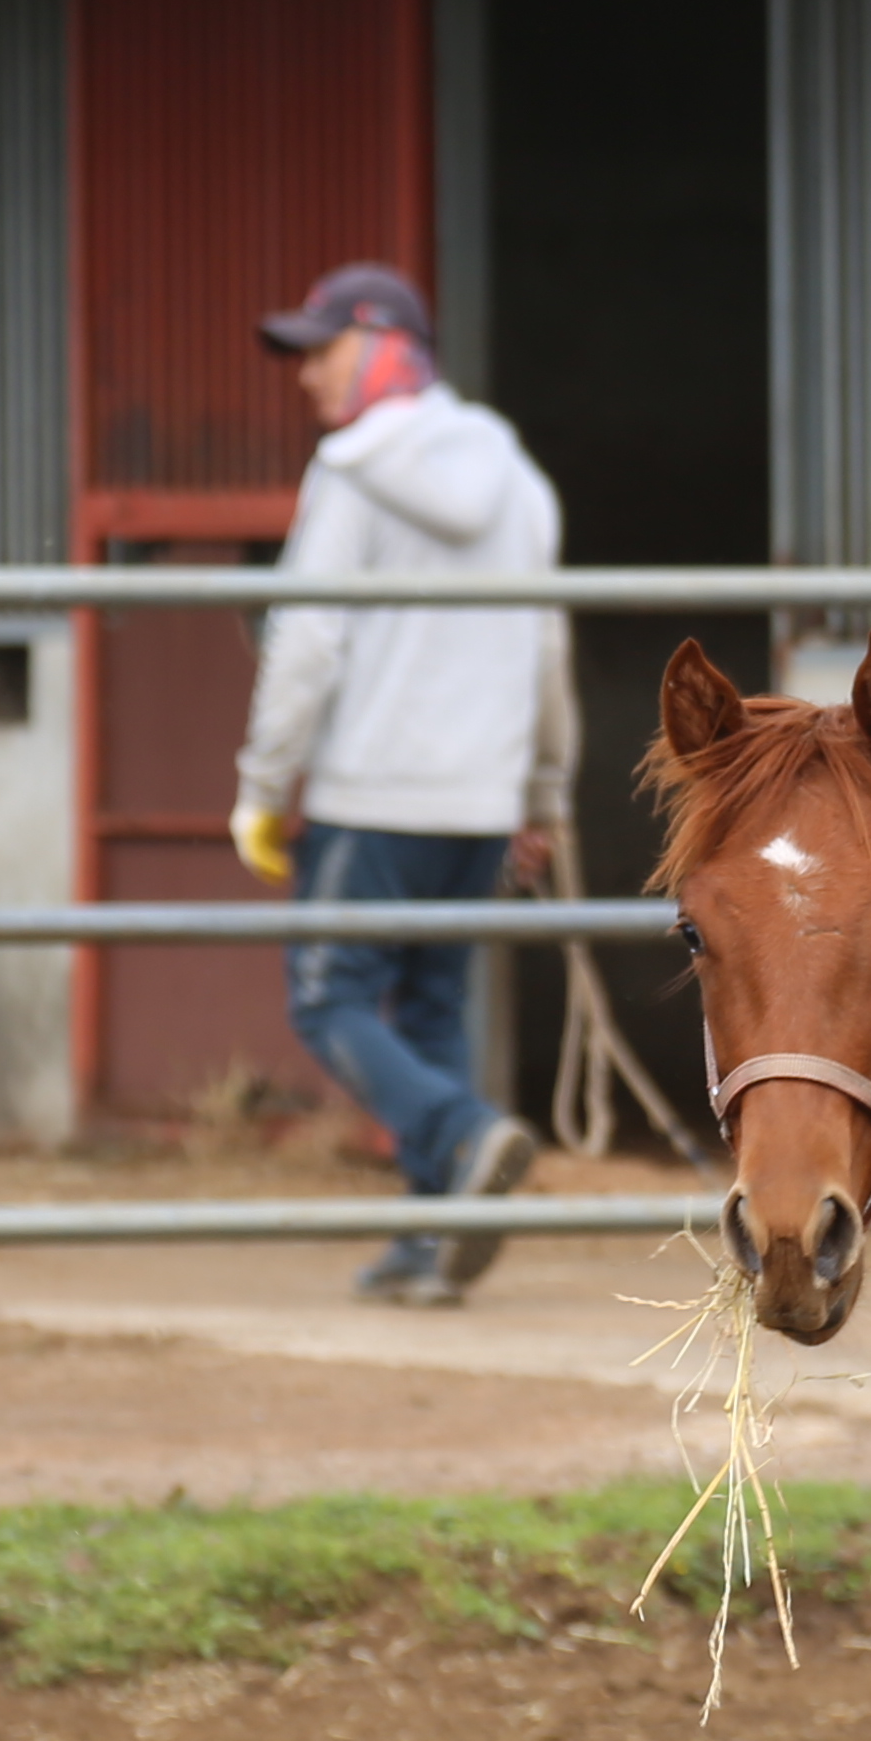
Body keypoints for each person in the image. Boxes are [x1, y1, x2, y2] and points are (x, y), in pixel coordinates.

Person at [229, 264, 573, 1306]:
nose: (307, 378)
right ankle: (433, 1237)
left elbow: (307, 639)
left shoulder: (349, 470)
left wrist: (261, 784)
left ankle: (464, 1136)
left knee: (327, 994)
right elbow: (548, 645)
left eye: (321, 352)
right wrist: (544, 790)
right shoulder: (520, 481)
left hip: (371, 791)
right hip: (475, 800)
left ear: (381, 346)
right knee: (429, 1006)